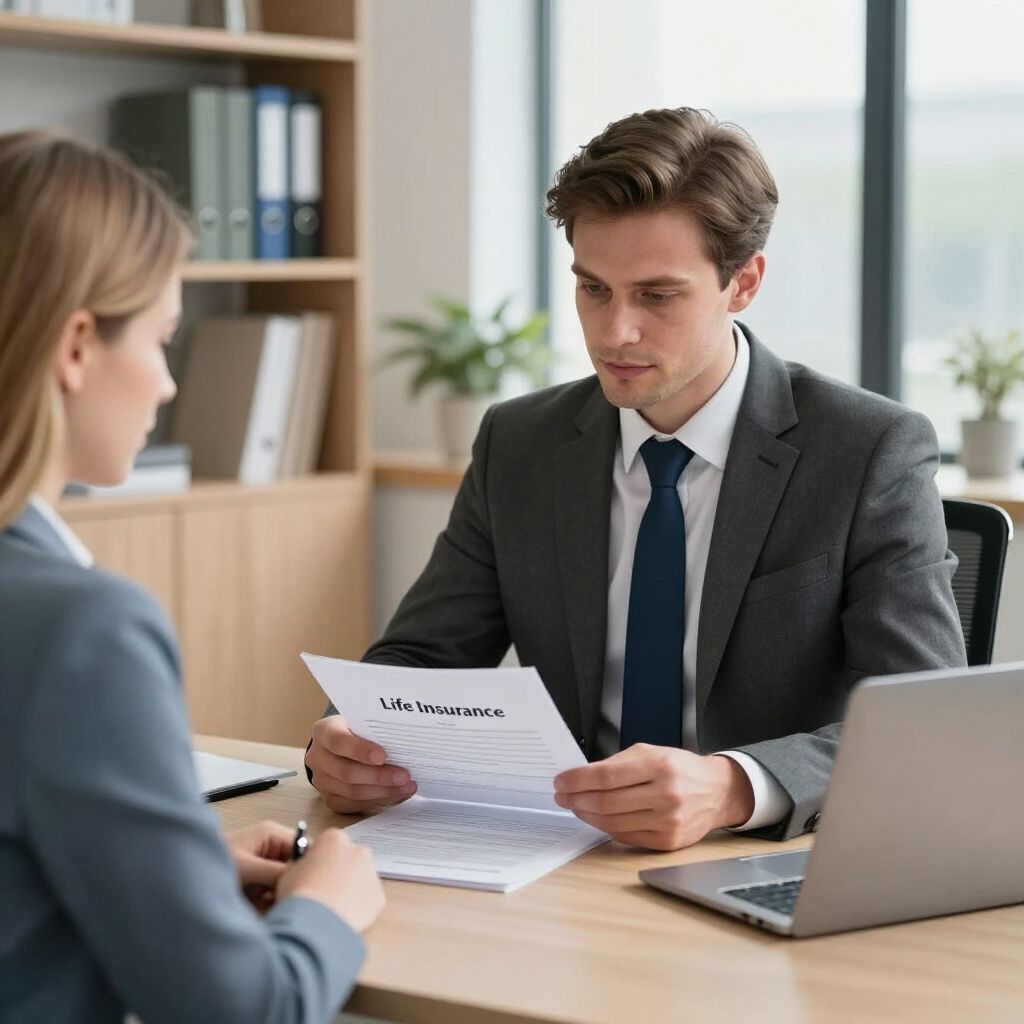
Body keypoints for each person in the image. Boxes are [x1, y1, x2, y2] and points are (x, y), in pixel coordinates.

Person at [305, 107, 966, 850]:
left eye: (657, 295)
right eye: (594, 289)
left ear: (744, 282)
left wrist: (735, 786)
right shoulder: (520, 444)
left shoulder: (867, 450)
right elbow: (419, 662)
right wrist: (347, 740)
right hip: (566, 851)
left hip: (760, 855)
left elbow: (924, 718)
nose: (615, 332)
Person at [0, 130, 385, 1023]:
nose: (169, 386)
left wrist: (177, 876)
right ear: (77, 346)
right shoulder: (80, 632)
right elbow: (245, 1011)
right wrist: (326, 908)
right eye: (163, 340)